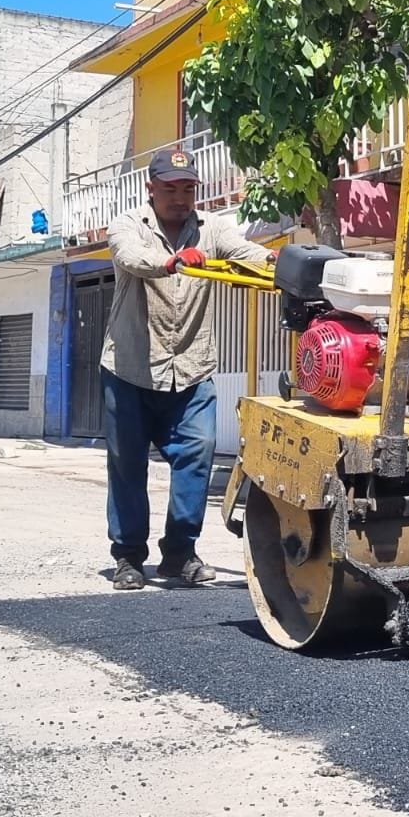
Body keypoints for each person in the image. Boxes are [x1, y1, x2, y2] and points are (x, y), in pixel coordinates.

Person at [100, 145, 276, 591]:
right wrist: (171, 261)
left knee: (198, 452)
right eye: (170, 189)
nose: (180, 198)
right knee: (128, 464)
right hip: (130, 369)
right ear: (151, 189)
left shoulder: (211, 228)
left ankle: (179, 554)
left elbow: (243, 252)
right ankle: (128, 558)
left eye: (188, 189)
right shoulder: (128, 225)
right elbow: (129, 258)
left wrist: (278, 262)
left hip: (192, 369)